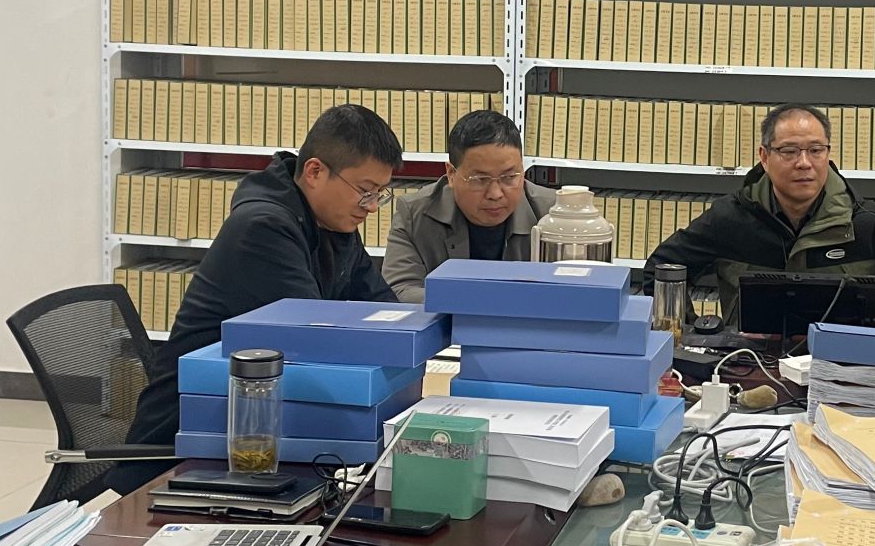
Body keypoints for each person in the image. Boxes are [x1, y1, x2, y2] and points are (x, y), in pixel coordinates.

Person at [127, 103, 402, 453]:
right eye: (365, 190)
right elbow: (315, 337)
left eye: (380, 193)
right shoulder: (262, 229)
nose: (372, 205)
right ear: (315, 172)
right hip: (187, 438)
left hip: (257, 420)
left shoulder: (333, 224)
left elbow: (384, 307)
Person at [643, 104, 875, 333]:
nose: (804, 163)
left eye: (816, 150)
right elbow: (661, 271)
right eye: (789, 151)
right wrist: (695, 338)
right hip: (748, 366)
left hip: (845, 372)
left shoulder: (863, 224)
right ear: (764, 157)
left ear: (828, 154)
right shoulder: (731, 219)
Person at [382, 109, 556, 303]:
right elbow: (399, 291)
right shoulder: (414, 213)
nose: (495, 194)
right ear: (451, 174)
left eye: (509, 177)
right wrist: (483, 302)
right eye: (480, 179)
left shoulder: (553, 213)